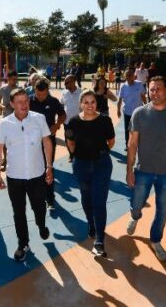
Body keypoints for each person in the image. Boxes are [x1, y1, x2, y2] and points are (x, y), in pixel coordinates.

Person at [126, 76, 166, 262]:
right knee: (137, 204)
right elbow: (132, 144)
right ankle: (135, 216)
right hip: (143, 170)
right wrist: (129, 170)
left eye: (159, 89)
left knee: (162, 210)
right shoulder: (139, 113)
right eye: (152, 89)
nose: (155, 93)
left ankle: (155, 241)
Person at [0, 88, 53, 261]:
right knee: (18, 211)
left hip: (37, 175)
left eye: (26, 101)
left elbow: (47, 141)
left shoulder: (39, 119)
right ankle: (23, 243)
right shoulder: (5, 123)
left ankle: (41, 225)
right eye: (19, 102)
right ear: (11, 104)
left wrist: (49, 166)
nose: (24, 104)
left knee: (39, 207)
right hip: (15, 177)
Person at [66, 89, 115, 257]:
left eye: (92, 102)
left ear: (97, 103)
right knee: (86, 197)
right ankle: (91, 223)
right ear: (80, 104)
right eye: (85, 102)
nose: (89, 105)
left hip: (102, 165)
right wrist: (75, 156)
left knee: (99, 201)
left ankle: (99, 240)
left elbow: (111, 141)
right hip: (81, 165)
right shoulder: (73, 122)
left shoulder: (105, 120)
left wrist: (99, 154)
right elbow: (70, 142)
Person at [29, 77, 66, 210]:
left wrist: (56, 125)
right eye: (38, 94)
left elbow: (63, 115)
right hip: (32, 141)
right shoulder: (29, 101)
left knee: (48, 167)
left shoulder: (53, 101)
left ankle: (50, 199)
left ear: (47, 91)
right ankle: (37, 196)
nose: (41, 97)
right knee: (34, 168)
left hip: (48, 141)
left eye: (43, 94)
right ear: (34, 90)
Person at [117, 68, 147, 150]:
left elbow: (143, 97)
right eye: (127, 75)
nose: (128, 76)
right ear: (125, 77)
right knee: (128, 129)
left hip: (139, 112)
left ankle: (140, 144)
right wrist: (118, 110)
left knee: (139, 129)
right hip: (127, 112)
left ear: (134, 76)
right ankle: (128, 145)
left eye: (130, 75)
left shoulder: (139, 84)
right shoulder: (123, 86)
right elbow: (119, 99)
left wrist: (147, 107)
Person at [0, 71, 19, 171]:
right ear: (8, 79)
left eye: (16, 79)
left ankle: (16, 160)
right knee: (4, 142)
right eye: (13, 79)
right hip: (6, 119)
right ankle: (5, 160)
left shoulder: (20, 90)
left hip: (18, 120)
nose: (15, 81)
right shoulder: (3, 89)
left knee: (17, 142)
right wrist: (1, 106)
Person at [60, 74, 81, 162]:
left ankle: (79, 155)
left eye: (67, 83)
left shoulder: (81, 92)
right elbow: (61, 104)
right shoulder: (64, 92)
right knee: (68, 139)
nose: (65, 85)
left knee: (79, 139)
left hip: (79, 122)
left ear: (73, 82)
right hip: (67, 122)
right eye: (64, 83)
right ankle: (71, 155)